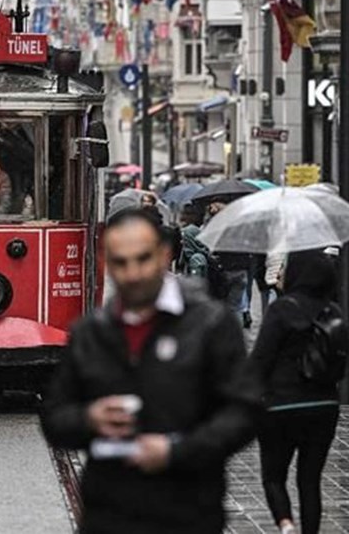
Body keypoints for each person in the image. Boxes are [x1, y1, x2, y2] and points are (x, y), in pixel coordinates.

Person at [42, 208, 261, 533]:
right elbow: (54, 416)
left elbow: (244, 412)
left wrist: (177, 451)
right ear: (105, 262)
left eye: (142, 259)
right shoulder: (92, 331)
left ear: (163, 254)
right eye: (120, 262)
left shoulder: (209, 323)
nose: (132, 273)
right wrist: (89, 419)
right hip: (109, 513)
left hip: (187, 512)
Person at [249, 251, 341, 534]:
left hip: (280, 405)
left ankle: (286, 524)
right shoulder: (332, 311)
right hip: (323, 405)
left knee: (274, 476)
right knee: (310, 479)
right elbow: (341, 361)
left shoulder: (281, 310)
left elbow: (260, 360)